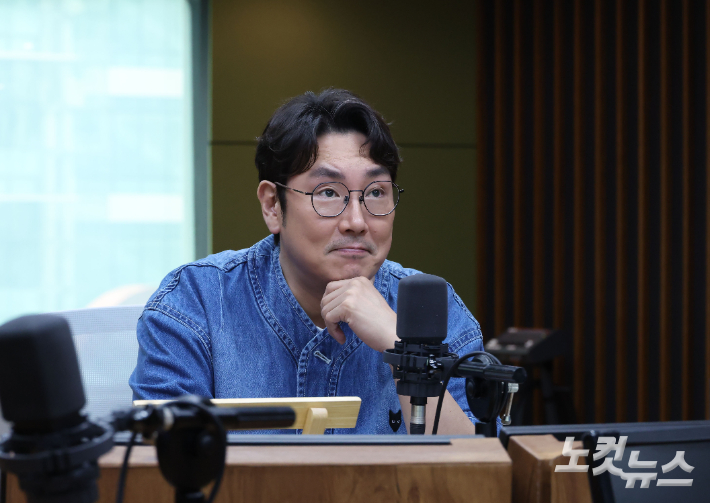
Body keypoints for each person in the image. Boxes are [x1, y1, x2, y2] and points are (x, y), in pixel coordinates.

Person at [129, 89, 483, 435]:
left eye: (376, 192)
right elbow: (163, 462)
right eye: (328, 193)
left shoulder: (433, 310)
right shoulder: (197, 303)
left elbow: (477, 467)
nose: (356, 222)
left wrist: (405, 352)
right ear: (272, 205)